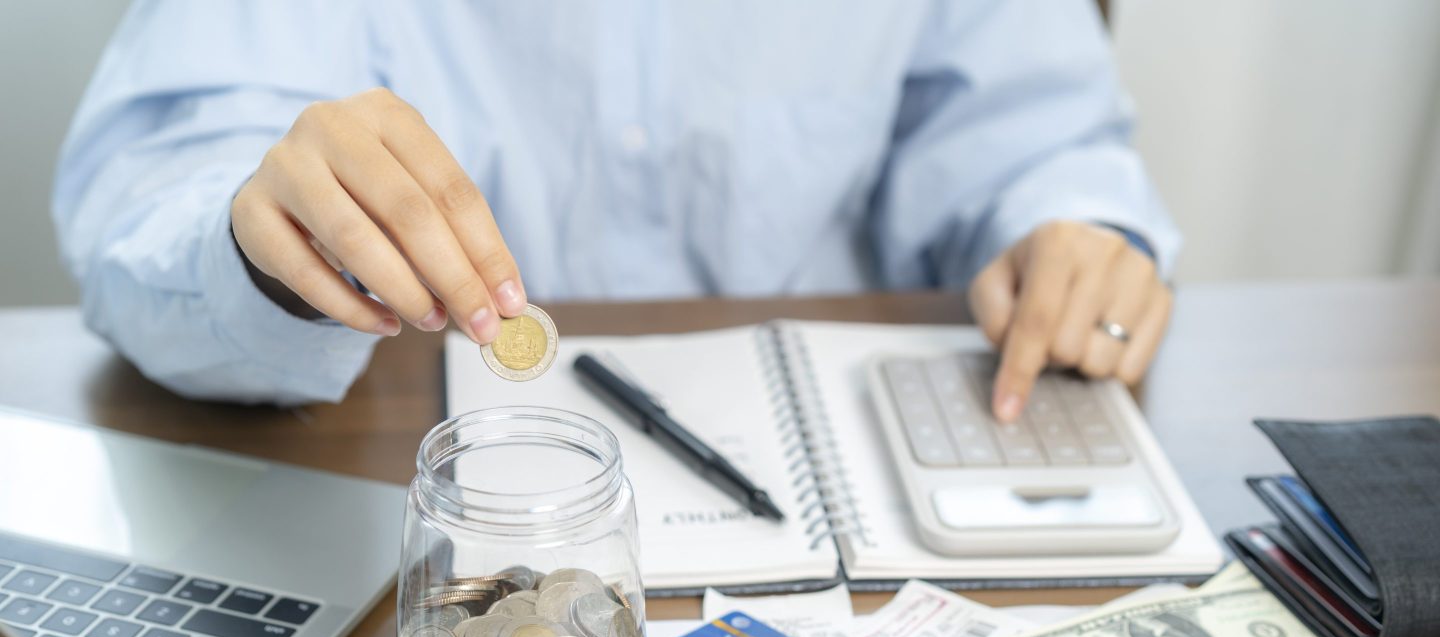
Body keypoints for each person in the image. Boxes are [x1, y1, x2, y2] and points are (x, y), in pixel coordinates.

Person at [54, 0, 1178, 420]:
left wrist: (1073, 229)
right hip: (418, 500)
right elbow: (154, 201)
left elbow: (1034, 139)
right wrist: (271, 250)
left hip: (841, 485)